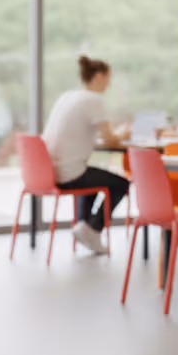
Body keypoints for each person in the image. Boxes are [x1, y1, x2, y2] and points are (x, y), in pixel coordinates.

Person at [41, 56, 129, 255]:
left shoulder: (68, 97)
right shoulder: (92, 99)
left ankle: (83, 226)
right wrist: (125, 133)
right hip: (70, 173)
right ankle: (93, 228)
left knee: (90, 175)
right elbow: (109, 141)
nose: (109, 83)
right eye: (108, 78)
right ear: (98, 77)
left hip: (51, 170)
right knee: (122, 184)